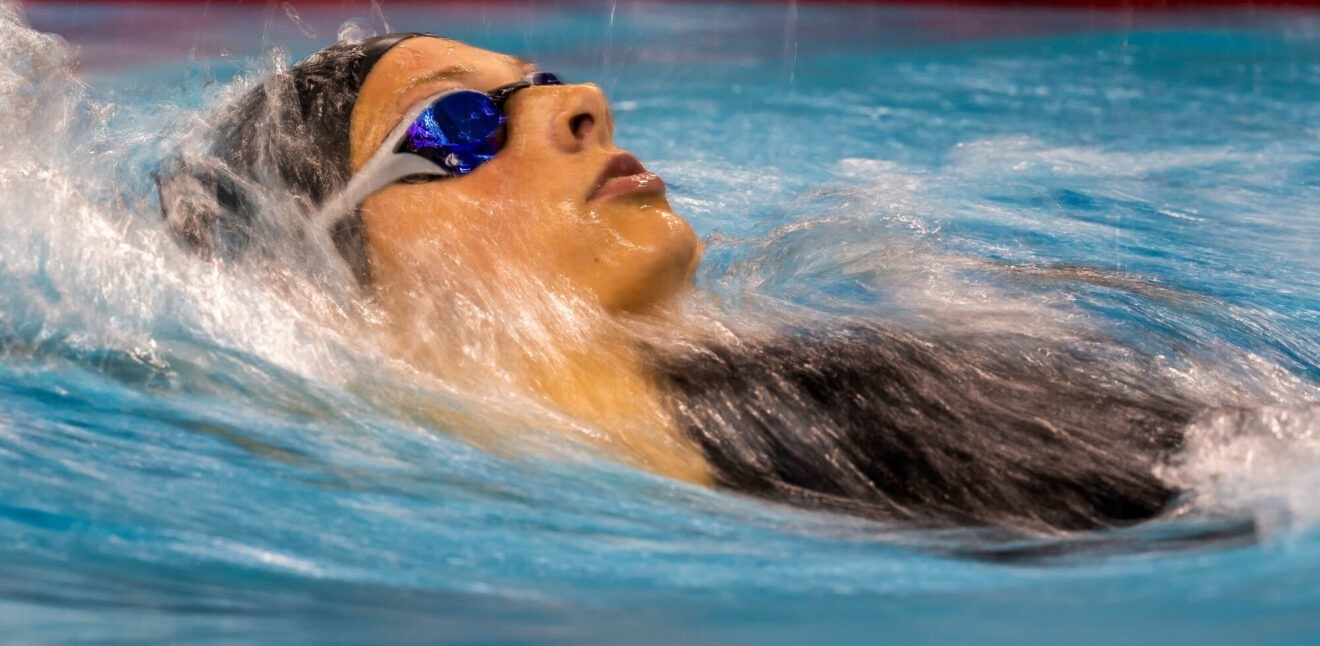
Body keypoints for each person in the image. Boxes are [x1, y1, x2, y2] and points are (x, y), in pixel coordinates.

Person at [157, 33, 1195, 532]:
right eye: (457, 126)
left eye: (549, 86)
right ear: (317, 282)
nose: (585, 106)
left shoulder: (835, 397)